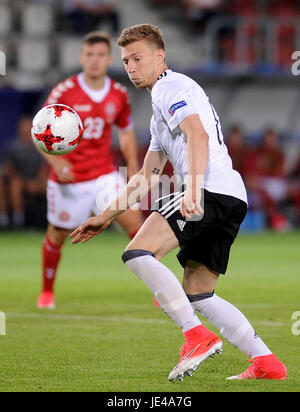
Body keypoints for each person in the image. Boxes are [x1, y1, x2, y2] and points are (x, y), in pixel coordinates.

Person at [70, 24, 287, 382]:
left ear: (160, 56)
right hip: (231, 196)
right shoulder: (159, 109)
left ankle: (195, 336)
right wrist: (105, 216)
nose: (132, 67)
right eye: (126, 61)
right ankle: (266, 363)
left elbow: (197, 134)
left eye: (138, 58)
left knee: (137, 253)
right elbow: (146, 175)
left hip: (209, 190)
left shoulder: (171, 87)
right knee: (199, 292)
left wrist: (193, 189)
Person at [37, 31, 143, 309]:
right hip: (69, 180)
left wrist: (132, 167)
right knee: (57, 235)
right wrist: (57, 162)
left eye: (100, 55)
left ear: (109, 59)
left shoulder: (118, 94)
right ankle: (47, 291)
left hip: (104, 175)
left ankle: (161, 292)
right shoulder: (64, 92)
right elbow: (40, 133)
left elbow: (127, 133)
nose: (94, 61)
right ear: (81, 58)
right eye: (89, 55)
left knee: (138, 227)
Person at [3, 116, 48, 228]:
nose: (25, 128)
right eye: (23, 126)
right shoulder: (13, 146)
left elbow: (43, 169)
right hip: (19, 181)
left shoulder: (40, 145)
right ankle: (18, 220)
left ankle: (53, 221)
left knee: (51, 186)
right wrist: (22, 181)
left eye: (28, 126)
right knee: (15, 185)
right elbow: (9, 168)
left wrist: (38, 183)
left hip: (36, 181)